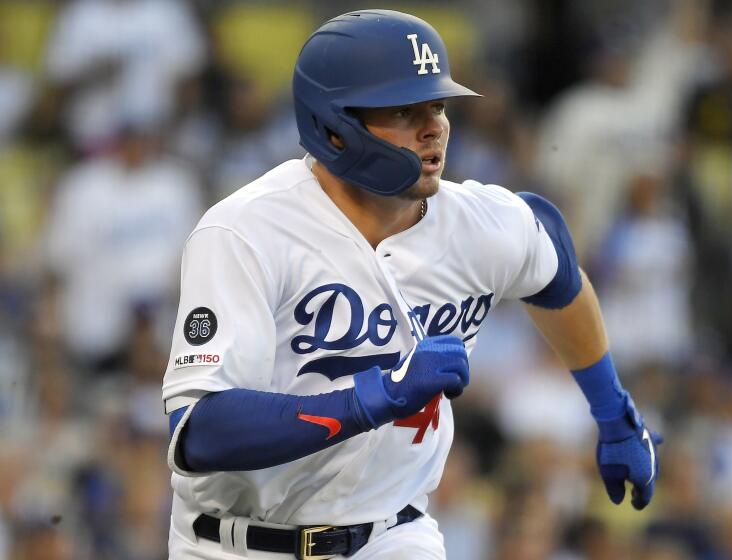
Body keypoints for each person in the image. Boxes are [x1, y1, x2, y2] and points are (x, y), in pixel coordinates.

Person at [162, 10, 661, 559]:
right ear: (333, 125)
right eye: (404, 109)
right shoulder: (246, 231)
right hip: (239, 541)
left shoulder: (476, 223)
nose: (434, 128)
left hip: (394, 534)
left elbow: (558, 268)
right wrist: (378, 395)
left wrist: (614, 412)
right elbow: (201, 431)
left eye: (439, 106)